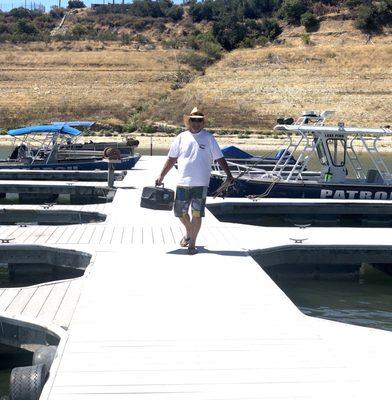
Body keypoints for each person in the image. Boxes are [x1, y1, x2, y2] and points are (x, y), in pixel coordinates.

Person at [156, 107, 233, 255]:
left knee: (197, 214)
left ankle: (192, 243)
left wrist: (228, 175)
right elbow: (172, 159)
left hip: (201, 183)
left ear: (203, 123)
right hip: (183, 181)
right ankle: (189, 232)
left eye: (199, 120)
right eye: (193, 120)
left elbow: (219, 158)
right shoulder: (181, 137)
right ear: (188, 122)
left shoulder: (209, 138)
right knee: (179, 212)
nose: (196, 123)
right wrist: (161, 175)